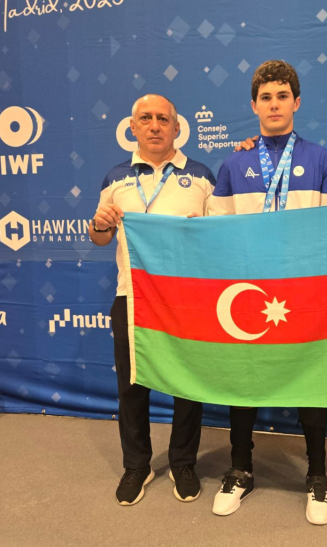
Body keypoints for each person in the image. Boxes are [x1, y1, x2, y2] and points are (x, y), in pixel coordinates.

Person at [207, 60, 327, 525]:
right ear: (254, 105)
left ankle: (318, 476)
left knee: (311, 379)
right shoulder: (234, 163)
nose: (274, 104)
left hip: (302, 291)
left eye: (282, 96)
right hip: (247, 290)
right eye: (265, 97)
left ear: (297, 102)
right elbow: (217, 233)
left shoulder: (322, 160)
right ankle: (240, 469)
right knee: (244, 378)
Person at [90, 94, 215, 506]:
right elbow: (100, 237)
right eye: (146, 118)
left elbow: (219, 239)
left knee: (187, 386)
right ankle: (136, 465)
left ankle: (183, 462)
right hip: (131, 297)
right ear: (133, 126)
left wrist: (205, 230)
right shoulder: (115, 178)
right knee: (131, 387)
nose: (155, 126)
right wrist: (99, 223)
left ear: (177, 127)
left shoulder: (201, 175)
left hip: (186, 300)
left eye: (164, 118)